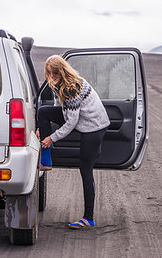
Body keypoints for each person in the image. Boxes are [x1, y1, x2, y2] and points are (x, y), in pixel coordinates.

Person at [36, 55, 110, 229]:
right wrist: (44, 127)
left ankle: (88, 217)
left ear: (61, 70)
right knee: (43, 112)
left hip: (94, 127)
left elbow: (71, 122)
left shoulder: (73, 88)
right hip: (83, 120)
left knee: (85, 169)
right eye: (48, 73)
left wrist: (51, 137)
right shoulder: (59, 85)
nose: (51, 76)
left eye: (54, 72)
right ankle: (46, 158)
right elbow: (62, 109)